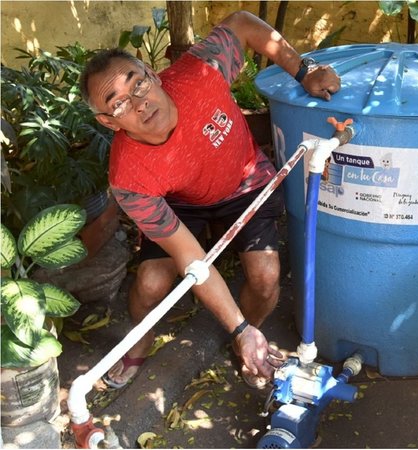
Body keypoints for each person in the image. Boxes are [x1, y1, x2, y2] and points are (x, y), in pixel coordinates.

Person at [79, 10, 341, 389]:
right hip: (181, 202)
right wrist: (235, 325)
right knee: (151, 282)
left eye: (137, 85)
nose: (138, 103)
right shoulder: (129, 178)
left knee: (266, 277)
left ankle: (247, 343)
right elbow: (191, 259)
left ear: (153, 76)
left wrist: (303, 71)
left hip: (247, 182)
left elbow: (243, 23)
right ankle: (142, 340)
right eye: (117, 103)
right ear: (109, 121)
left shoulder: (200, 73)